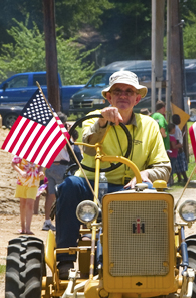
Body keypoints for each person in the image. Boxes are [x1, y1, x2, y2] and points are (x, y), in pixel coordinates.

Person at [55, 70, 170, 278]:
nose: (123, 95)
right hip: (92, 185)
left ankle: (153, 260)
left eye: (129, 91)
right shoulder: (93, 119)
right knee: (70, 184)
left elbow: (164, 167)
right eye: (117, 91)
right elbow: (88, 147)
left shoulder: (150, 125)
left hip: (132, 188)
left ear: (138, 98)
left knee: (152, 192)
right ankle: (65, 260)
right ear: (108, 97)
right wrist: (102, 123)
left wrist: (143, 175)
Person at [41, 111, 72, 232]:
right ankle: (61, 220)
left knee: (50, 194)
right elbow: (71, 146)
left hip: (50, 166)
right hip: (61, 166)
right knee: (62, 194)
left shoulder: (48, 133)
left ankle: (47, 221)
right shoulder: (63, 134)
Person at [12, 156, 44, 234]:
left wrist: (41, 172)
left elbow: (41, 166)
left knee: (30, 204)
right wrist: (21, 172)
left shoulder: (40, 153)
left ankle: (28, 228)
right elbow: (13, 164)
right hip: (22, 181)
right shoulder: (22, 151)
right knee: (22, 204)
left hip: (34, 181)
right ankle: (23, 227)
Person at [171, 114, 188, 184]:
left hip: (178, 148)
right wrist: (180, 147)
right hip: (179, 149)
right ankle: (185, 178)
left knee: (178, 165)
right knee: (180, 165)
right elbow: (177, 139)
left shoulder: (176, 128)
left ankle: (180, 178)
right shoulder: (176, 129)